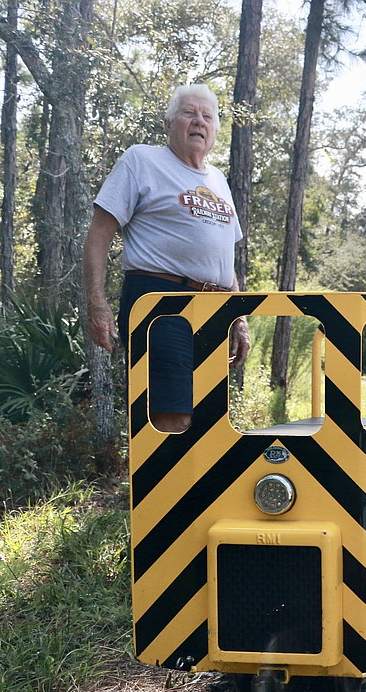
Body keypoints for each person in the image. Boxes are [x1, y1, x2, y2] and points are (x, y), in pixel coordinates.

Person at [82, 83, 250, 434]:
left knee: (210, 423)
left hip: (215, 308)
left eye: (207, 116)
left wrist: (239, 317)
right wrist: (96, 301)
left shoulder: (218, 180)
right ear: (168, 123)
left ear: (215, 130)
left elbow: (224, 258)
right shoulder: (142, 161)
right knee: (171, 418)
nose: (199, 121)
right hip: (161, 304)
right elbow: (99, 234)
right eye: (189, 113)